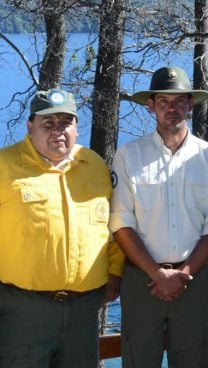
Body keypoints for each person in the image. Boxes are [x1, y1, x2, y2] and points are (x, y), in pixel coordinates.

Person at [109, 66, 208, 368]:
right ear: (151, 106)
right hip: (141, 281)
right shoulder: (128, 155)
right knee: (139, 360)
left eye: (179, 101)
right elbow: (121, 223)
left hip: (192, 281)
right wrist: (156, 273)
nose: (171, 108)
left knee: (192, 360)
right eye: (163, 101)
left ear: (191, 105)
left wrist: (183, 274)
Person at [0, 89, 122, 368]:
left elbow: (113, 224)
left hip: (84, 309)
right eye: (48, 123)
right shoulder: (4, 165)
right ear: (30, 127)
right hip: (24, 309)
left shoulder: (94, 165)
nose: (58, 131)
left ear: (76, 127)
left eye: (65, 122)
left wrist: (115, 271)